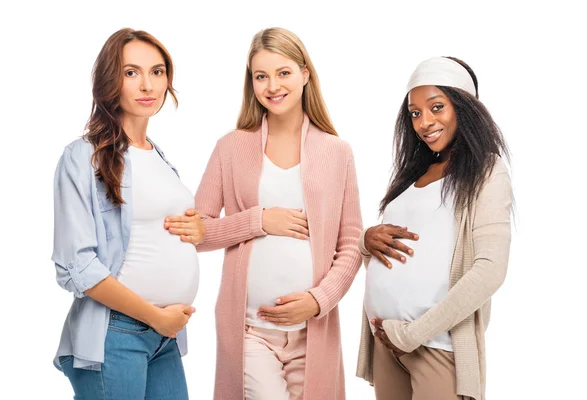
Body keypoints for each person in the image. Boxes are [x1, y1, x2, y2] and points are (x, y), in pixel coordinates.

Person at [190, 27, 362, 400]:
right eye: (260, 76)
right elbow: (198, 231)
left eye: (283, 72)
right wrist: (258, 220)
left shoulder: (337, 151)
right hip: (250, 329)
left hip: (313, 332)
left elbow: (350, 245)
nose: (272, 85)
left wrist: (318, 300)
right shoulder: (231, 147)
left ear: (305, 74)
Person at [52, 28, 205, 400]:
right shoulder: (83, 157)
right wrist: (155, 316)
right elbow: (77, 265)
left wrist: (199, 231)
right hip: (115, 335)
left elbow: (155, 231)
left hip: (164, 337)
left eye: (157, 71)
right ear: (110, 80)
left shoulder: (159, 156)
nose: (147, 84)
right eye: (131, 72)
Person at [356, 56, 513, 400]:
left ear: (464, 108)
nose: (424, 122)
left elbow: (490, 270)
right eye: (415, 113)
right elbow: (387, 244)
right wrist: (366, 240)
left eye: (436, 107)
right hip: (386, 341)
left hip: (436, 345)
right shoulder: (412, 174)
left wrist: (413, 334)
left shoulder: (487, 171)